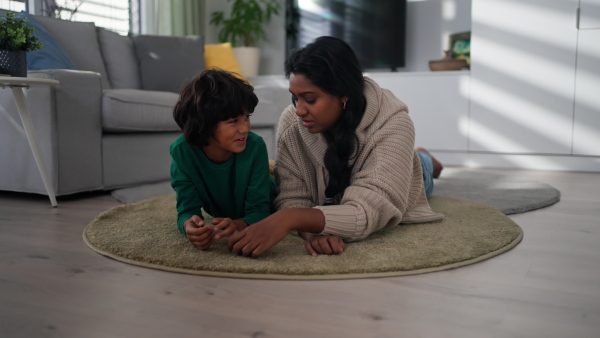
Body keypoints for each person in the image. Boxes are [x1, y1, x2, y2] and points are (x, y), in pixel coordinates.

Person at [227, 36, 444, 258]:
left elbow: (367, 212)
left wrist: (290, 218)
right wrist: (312, 233)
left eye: (310, 99)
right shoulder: (292, 122)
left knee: (424, 171)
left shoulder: (394, 123)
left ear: (344, 95)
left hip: (406, 179)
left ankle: (425, 159)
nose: (299, 110)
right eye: (295, 98)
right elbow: (291, 198)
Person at [170, 69, 275, 251]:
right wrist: (189, 226)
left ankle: (273, 168)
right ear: (205, 124)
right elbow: (187, 210)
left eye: (247, 117)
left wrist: (239, 225)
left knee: (276, 177)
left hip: (274, 200)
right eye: (233, 120)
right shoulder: (183, 152)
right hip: (230, 210)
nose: (245, 128)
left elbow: (260, 211)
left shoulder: (255, 146)